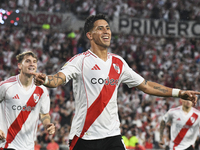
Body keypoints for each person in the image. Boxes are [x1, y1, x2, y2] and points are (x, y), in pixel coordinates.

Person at [31, 14, 200, 150]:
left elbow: (146, 85)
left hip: (112, 135)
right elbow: (58, 79)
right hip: (84, 136)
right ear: (89, 35)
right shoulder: (80, 61)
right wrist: (45, 79)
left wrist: (180, 92)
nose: (106, 31)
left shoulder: (119, 62)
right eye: (100, 28)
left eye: (108, 28)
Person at [0, 51, 55, 150]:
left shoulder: (42, 89)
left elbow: (44, 114)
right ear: (19, 66)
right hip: (7, 144)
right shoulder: (6, 86)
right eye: (28, 61)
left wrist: (47, 124)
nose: (32, 64)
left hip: (29, 146)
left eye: (34, 61)